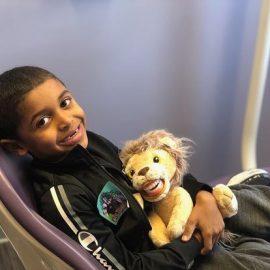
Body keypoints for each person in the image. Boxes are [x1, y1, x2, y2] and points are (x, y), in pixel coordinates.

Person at [0, 66, 269, 270]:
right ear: (16, 147)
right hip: (173, 256)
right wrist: (195, 239)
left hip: (175, 216)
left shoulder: (89, 144)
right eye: (43, 121)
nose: (66, 121)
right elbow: (127, 267)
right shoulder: (63, 198)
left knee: (257, 197)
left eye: (65, 102)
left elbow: (153, 177)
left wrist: (203, 196)